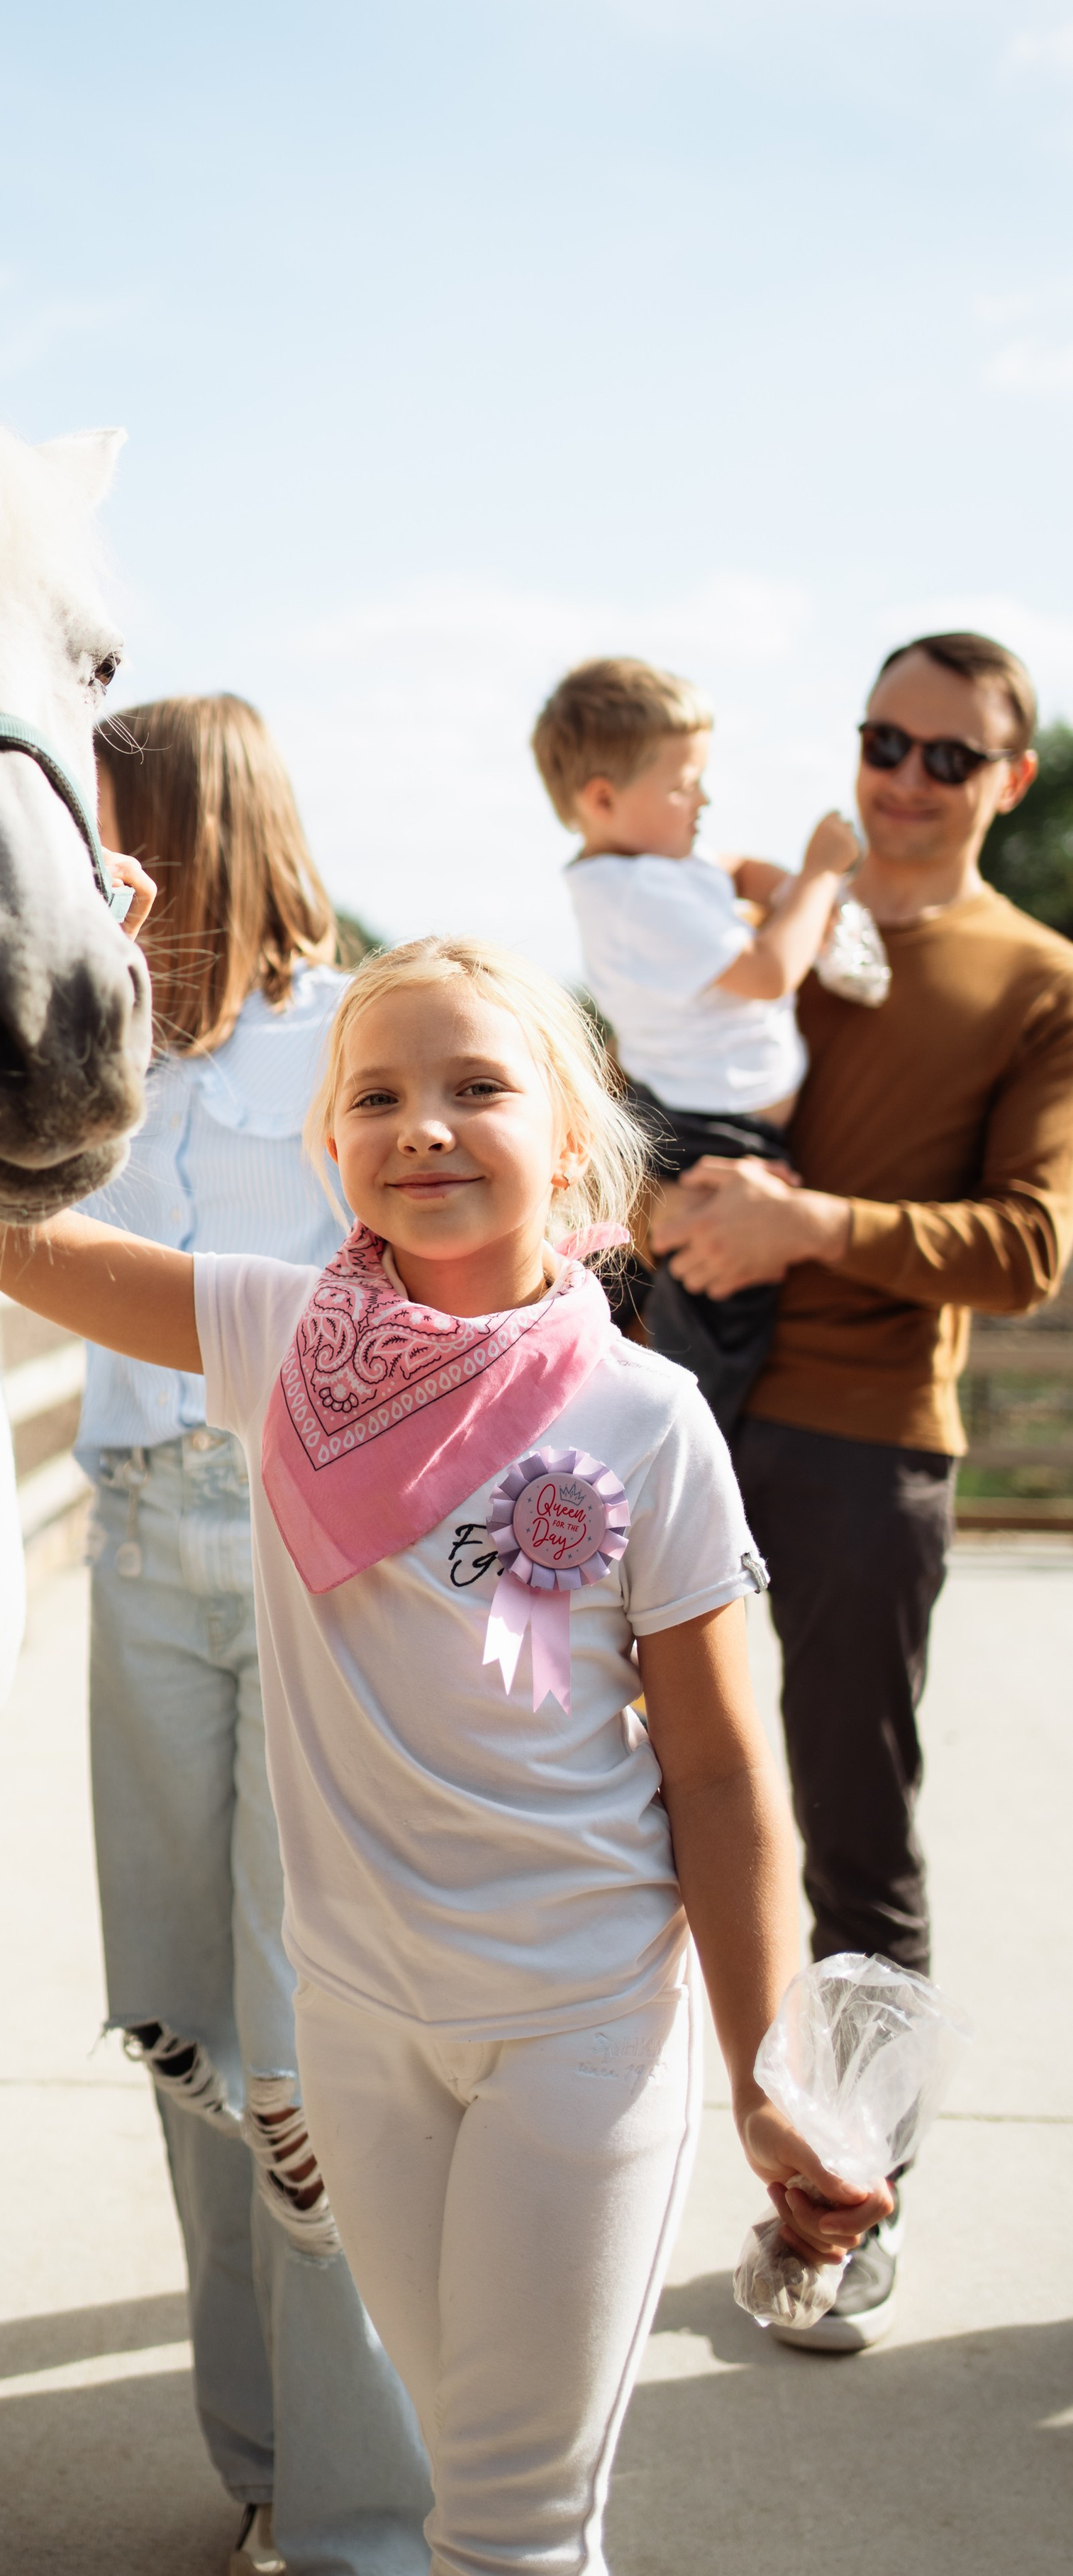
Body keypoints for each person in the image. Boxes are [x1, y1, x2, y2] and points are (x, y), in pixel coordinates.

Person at [0, 933, 889, 2575]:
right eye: (374, 1094)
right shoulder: (264, 1336)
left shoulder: (641, 1416)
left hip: (575, 2024)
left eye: (476, 1086)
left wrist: (766, 2071)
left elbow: (729, 1776)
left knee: (512, 2524)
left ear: (572, 1138)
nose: (423, 1125)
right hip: (356, 2024)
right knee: (460, 2471)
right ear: (325, 1147)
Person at [654, 628, 1073, 2351]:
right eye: (878, 740)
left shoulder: (1037, 975)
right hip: (676, 1423)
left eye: (944, 756)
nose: (901, 778)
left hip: (858, 1444)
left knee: (851, 1839)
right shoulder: (771, 927)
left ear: (1006, 781)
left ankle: (836, 2210)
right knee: (612, 1820)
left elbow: (1028, 1242)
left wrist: (806, 1224)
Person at [77, 696, 432, 2576]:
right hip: (139, 1548)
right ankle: (267, 2465)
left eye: (110, 819)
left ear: (193, 822)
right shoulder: (92, 1033)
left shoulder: (357, 1041)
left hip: (310, 1555)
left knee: (313, 2055)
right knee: (187, 2025)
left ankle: (370, 2524)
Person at [532, 656, 860, 1434]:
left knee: (648, 1300)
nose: (703, 800)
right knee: (715, 1329)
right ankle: (670, 1459)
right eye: (682, 785)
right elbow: (770, 970)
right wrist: (819, 875)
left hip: (684, 1109)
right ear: (603, 799)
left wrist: (779, 889)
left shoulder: (654, 867)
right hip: (708, 1128)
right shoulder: (639, 893)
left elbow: (737, 867)